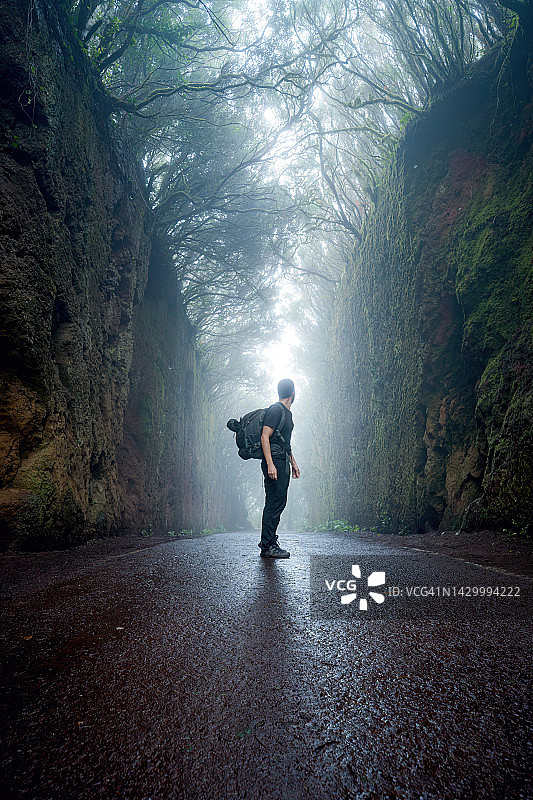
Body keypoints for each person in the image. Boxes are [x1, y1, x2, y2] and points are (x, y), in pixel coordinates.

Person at [258, 378, 300, 558]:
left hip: (282, 461)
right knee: (274, 503)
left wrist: (293, 462)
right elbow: (264, 437)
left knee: (278, 502)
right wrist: (270, 465)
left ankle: (269, 542)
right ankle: (268, 546)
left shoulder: (286, 413)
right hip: (274, 462)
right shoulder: (276, 410)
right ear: (293, 393)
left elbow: (285, 443)